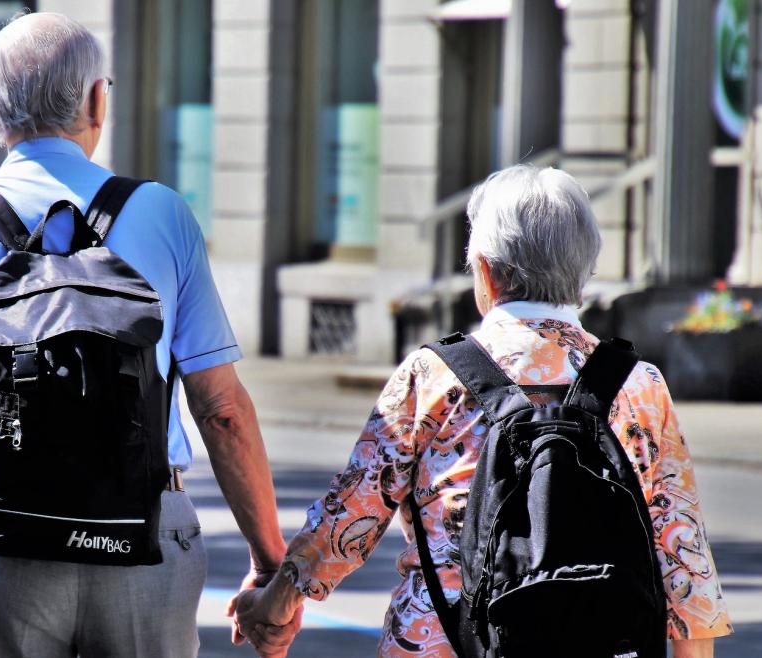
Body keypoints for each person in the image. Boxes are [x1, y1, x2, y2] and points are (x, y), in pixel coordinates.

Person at [0, 13, 299, 658]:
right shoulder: (164, 214)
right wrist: (268, 561)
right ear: (96, 100)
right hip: (145, 538)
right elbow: (221, 408)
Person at [231, 165, 733, 658]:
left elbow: (351, 516)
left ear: (487, 272)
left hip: (440, 639)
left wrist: (276, 605)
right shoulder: (639, 384)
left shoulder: (432, 375)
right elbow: (683, 554)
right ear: (584, 274)